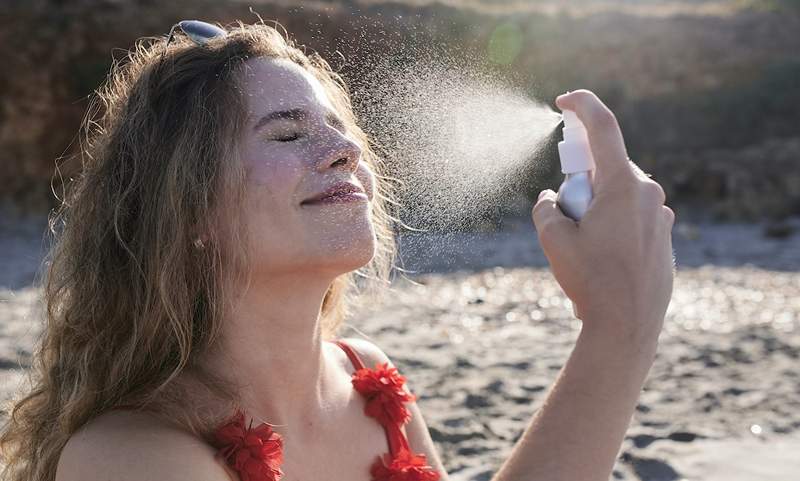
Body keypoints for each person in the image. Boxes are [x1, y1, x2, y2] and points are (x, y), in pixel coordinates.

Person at [0, 20, 674, 481]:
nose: (348, 150)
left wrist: (618, 323)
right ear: (188, 208)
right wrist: (620, 324)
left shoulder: (369, 379)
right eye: (289, 133)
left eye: (339, 128)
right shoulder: (127, 457)